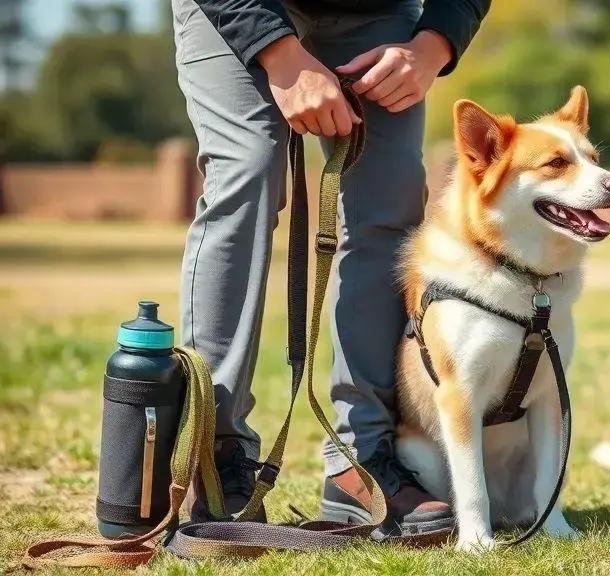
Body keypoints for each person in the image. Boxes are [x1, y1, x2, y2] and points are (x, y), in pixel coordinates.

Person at [170, 0, 489, 538]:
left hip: (377, 12)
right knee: (247, 170)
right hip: (237, 6)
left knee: (389, 196)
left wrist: (430, 48)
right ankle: (214, 454)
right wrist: (280, 54)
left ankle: (361, 458)